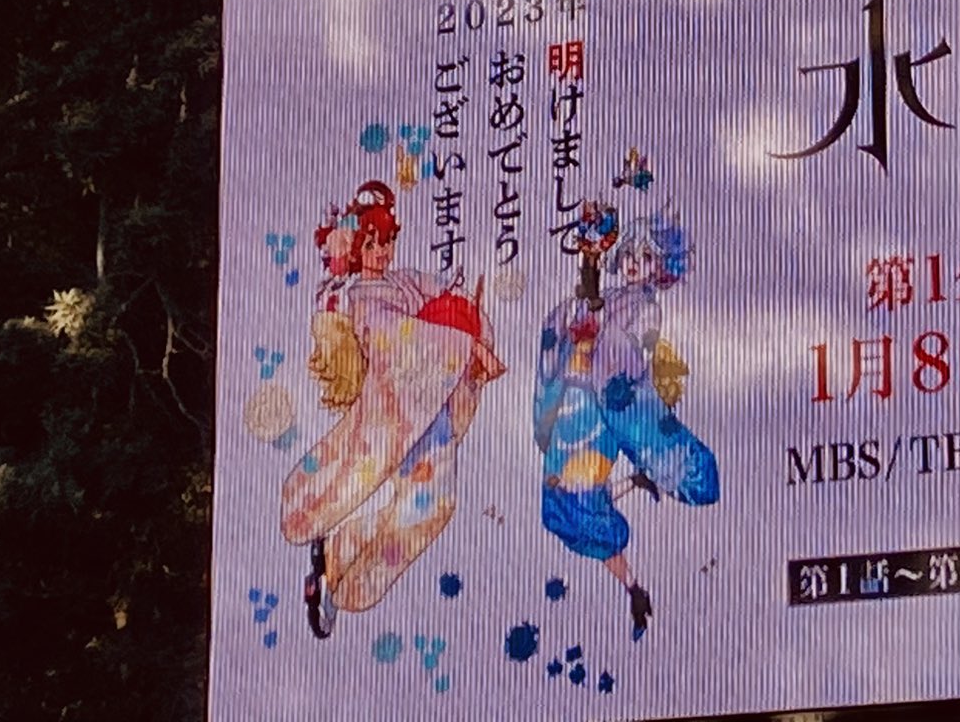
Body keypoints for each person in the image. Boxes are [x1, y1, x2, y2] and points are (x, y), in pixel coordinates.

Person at [280, 181, 503, 638]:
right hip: (398, 413)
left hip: (431, 408)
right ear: (354, 249)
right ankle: (340, 571)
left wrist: (463, 315)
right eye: (370, 244)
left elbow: (441, 295)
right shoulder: (361, 300)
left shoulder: (402, 280)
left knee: (429, 506)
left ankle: (339, 557)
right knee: (416, 499)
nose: (381, 252)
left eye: (386, 241)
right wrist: (464, 344)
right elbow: (399, 338)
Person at [535, 201, 718, 641]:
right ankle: (634, 574)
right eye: (631, 254)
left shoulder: (647, 310)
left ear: (662, 267)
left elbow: (629, 358)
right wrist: (585, 298)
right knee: (562, 497)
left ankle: (633, 586)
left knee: (577, 500)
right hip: (573, 399)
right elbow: (579, 317)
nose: (635, 263)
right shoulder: (615, 296)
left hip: (600, 411)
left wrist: (597, 334)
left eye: (647, 256)